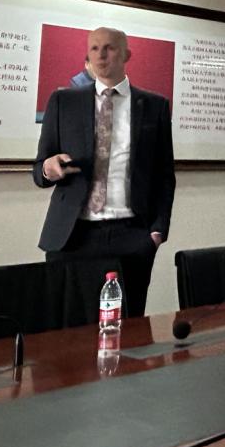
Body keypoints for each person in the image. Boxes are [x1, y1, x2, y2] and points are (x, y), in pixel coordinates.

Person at [33, 27, 175, 317]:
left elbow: (164, 175)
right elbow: (39, 169)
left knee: (127, 325)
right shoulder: (63, 102)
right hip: (72, 236)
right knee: (67, 329)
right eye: (94, 48)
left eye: (109, 48)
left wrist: (157, 231)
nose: (101, 55)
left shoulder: (154, 106)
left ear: (126, 55)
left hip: (131, 236)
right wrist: (48, 169)